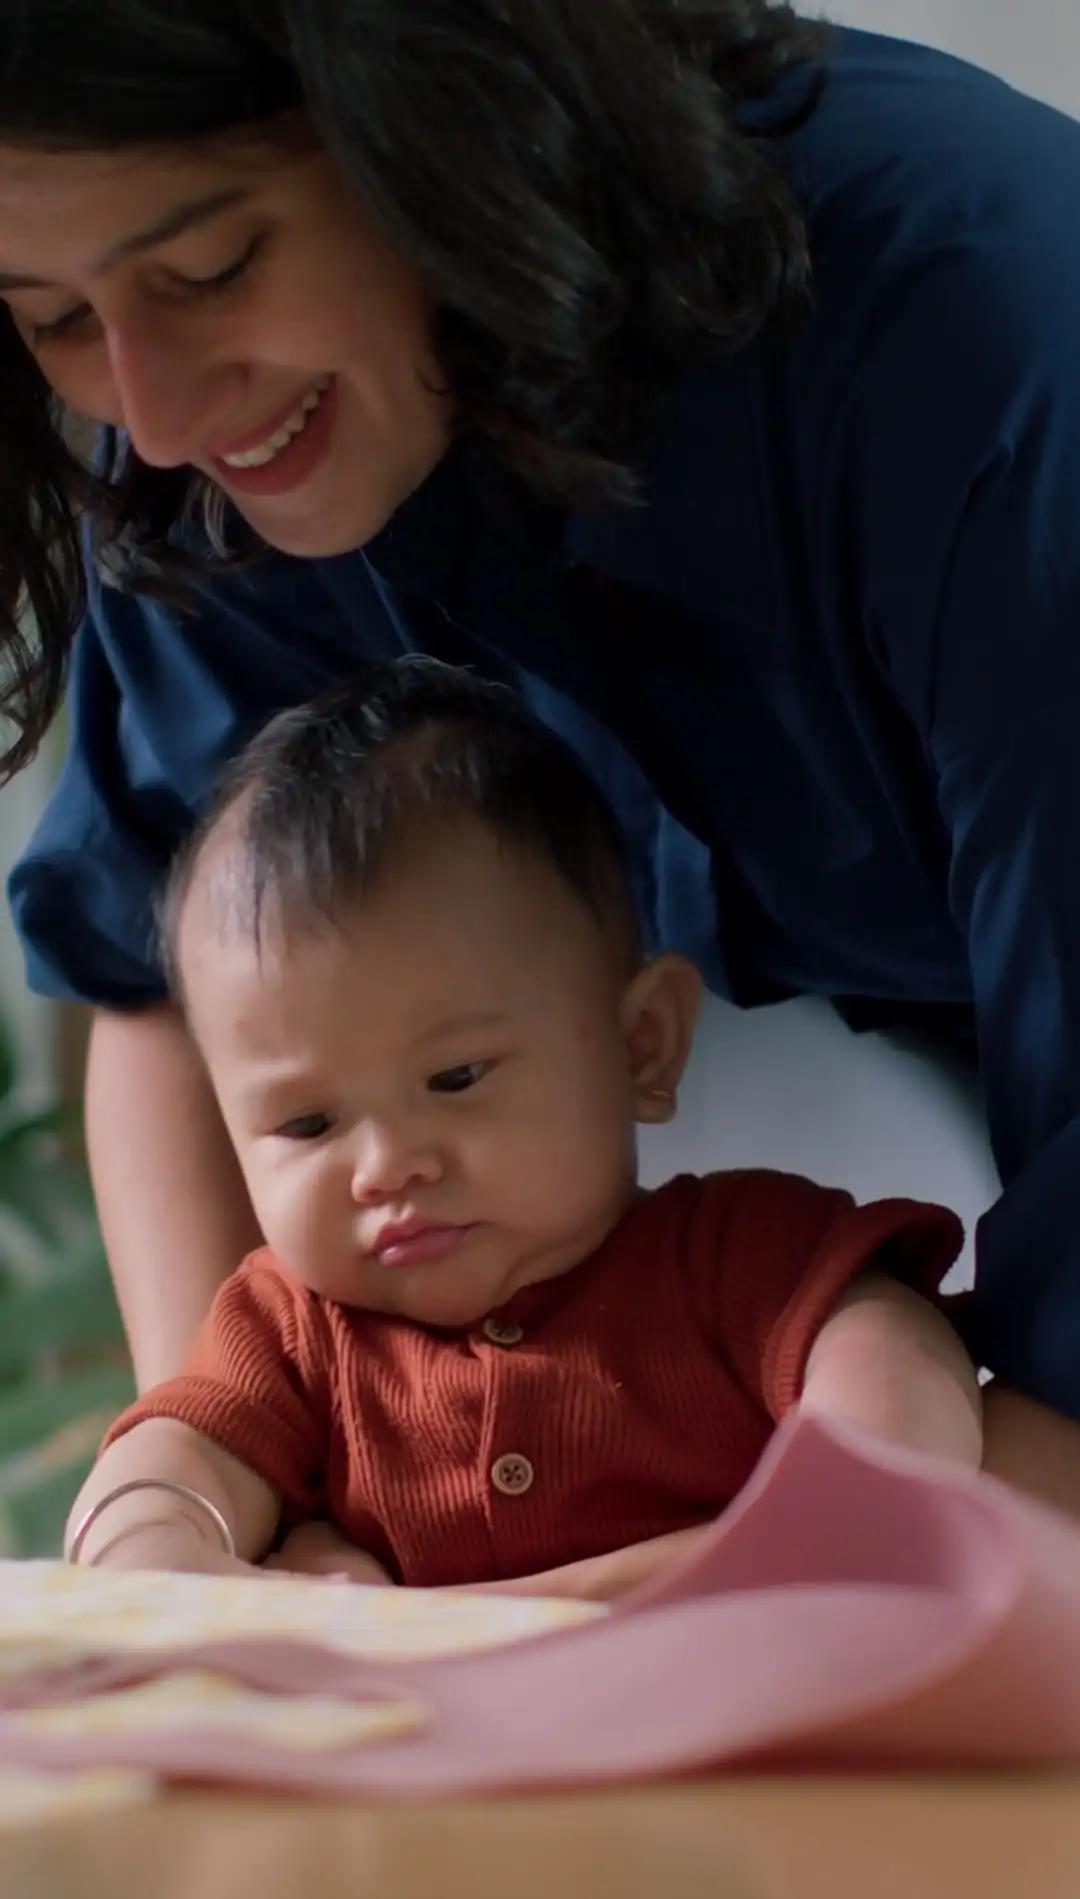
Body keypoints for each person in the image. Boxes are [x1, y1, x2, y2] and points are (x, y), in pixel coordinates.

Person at [3, 5, 1080, 1479]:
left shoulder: (987, 356)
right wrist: (243, 1485)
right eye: (53, 318)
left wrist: (594, 1625)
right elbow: (171, 968)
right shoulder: (227, 444)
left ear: (439, 120)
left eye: (211, 269)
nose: (158, 415)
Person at [66, 659, 995, 1593]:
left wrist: (848, 1481)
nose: (385, 1167)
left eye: (455, 1077)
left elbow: (901, 1371)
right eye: (308, 1123)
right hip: (423, 1735)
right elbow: (169, 1470)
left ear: (641, 1047)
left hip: (744, 1711)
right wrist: (158, 1553)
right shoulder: (286, 1336)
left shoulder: (736, 1262)